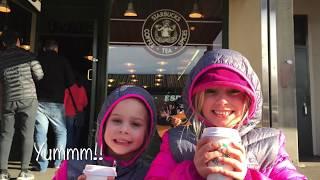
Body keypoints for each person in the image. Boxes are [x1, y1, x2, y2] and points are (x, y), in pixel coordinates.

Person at [145, 49, 307, 179]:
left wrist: (249, 176)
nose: (222, 101)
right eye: (211, 91)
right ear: (195, 98)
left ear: (249, 100)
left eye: (234, 91)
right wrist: (191, 172)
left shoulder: (268, 146)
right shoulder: (177, 143)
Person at [54, 85, 157, 179]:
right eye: (117, 120)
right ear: (103, 124)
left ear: (147, 132)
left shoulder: (154, 174)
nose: (124, 130)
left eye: (135, 124)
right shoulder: (72, 168)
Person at [0, 30, 44, 180]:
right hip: (28, 98)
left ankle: (3, 172)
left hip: (8, 99)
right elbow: (39, 74)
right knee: (27, 134)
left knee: (6, 135)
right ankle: (24, 171)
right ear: (18, 41)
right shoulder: (29, 55)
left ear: (4, 43)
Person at [33, 40, 74, 172]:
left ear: (44, 48)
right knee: (61, 132)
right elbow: (71, 82)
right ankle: (58, 162)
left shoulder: (37, 59)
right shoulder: (62, 61)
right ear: (56, 49)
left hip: (39, 101)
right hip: (56, 102)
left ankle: (42, 164)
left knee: (40, 133)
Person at [64, 76, 88, 148]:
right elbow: (85, 103)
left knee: (69, 131)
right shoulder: (82, 89)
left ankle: (69, 147)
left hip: (69, 112)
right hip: (79, 112)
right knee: (78, 130)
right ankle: (75, 146)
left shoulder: (68, 89)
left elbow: (64, 101)